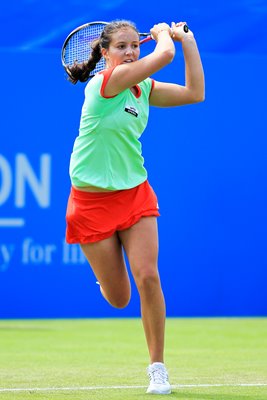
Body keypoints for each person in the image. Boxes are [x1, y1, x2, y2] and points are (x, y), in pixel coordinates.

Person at [65, 19, 204, 395]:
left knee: (148, 276)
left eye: (133, 46)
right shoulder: (103, 84)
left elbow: (194, 93)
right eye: (122, 47)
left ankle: (157, 368)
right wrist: (164, 39)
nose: (129, 52)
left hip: (134, 192)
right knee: (119, 297)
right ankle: (106, 272)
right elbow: (165, 55)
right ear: (105, 54)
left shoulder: (143, 87)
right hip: (91, 201)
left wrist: (187, 41)